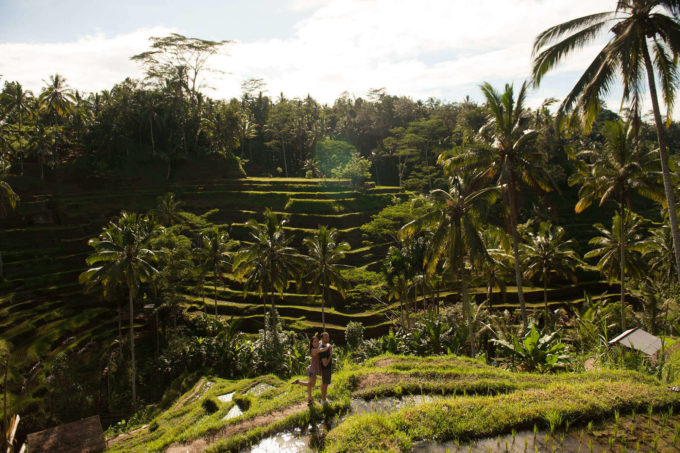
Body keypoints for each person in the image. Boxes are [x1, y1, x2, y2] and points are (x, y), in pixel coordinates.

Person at [292, 335, 329, 404]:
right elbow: (323, 349)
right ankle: (309, 398)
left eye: (317, 341)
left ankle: (308, 396)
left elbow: (321, 343)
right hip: (312, 370)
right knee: (311, 385)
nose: (317, 342)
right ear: (312, 343)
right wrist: (328, 346)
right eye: (315, 342)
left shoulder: (318, 346)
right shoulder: (314, 350)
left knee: (310, 384)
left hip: (313, 369)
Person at [318, 331, 333, 404]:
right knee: (325, 384)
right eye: (326, 337)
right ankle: (323, 400)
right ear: (322, 338)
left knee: (323, 383)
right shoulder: (323, 349)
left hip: (325, 369)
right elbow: (325, 364)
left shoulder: (324, 345)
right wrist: (330, 354)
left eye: (328, 337)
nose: (328, 338)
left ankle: (323, 398)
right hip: (325, 368)